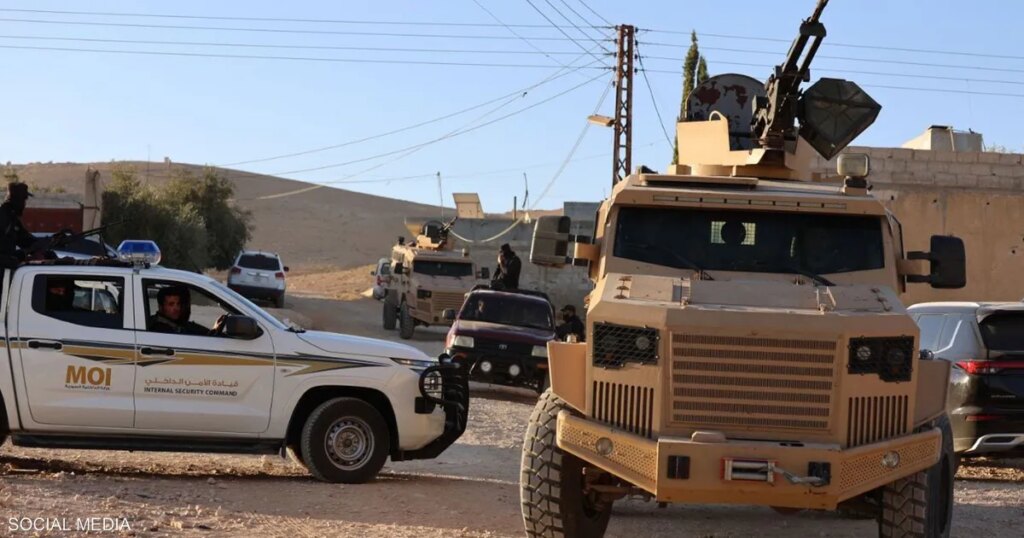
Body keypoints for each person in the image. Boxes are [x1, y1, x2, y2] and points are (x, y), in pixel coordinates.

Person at [150, 286, 225, 336]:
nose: (177, 308)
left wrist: (214, 330)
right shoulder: (160, 328)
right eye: (171, 304)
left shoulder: (175, 322)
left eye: (178, 304)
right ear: (160, 307)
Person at [0, 182, 38, 268]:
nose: (24, 204)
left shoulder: (12, 218)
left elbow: (25, 240)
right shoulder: (4, 217)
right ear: (17, 199)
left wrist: (51, 240)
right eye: (24, 200)